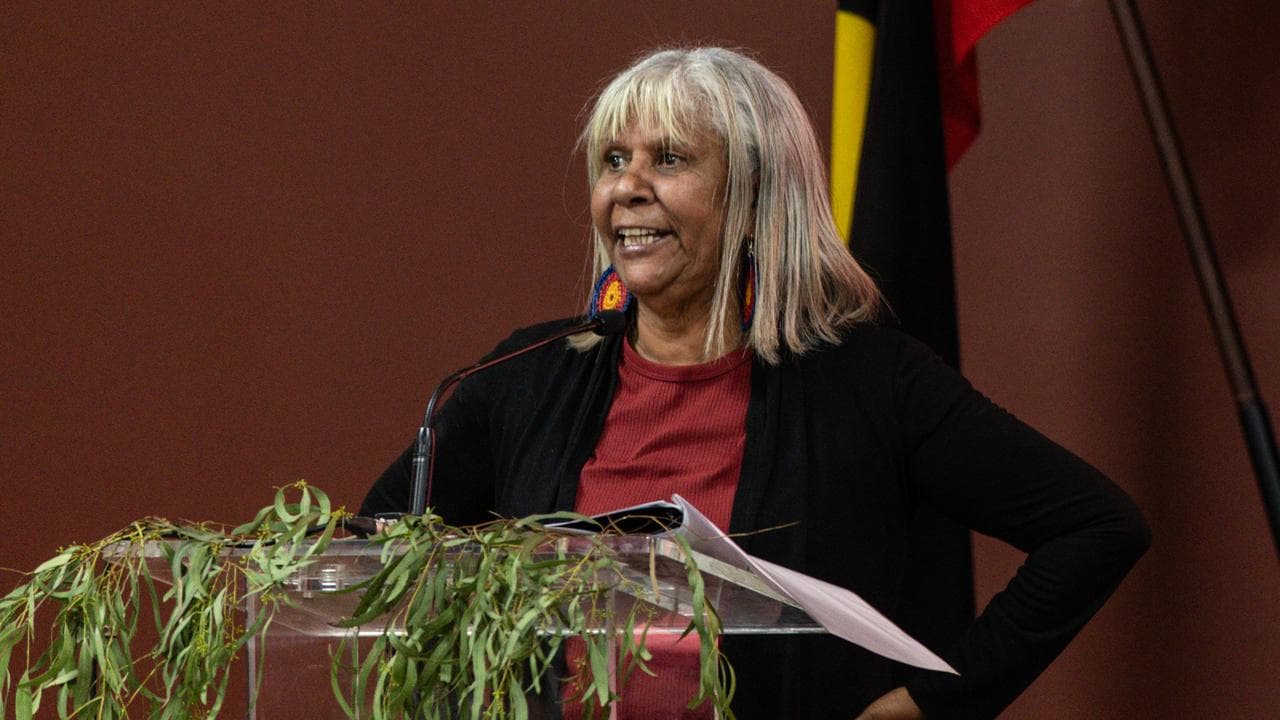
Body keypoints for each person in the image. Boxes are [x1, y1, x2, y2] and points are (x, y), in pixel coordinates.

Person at [361, 47, 1150, 719]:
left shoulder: (869, 382)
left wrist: (930, 704)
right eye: (613, 160)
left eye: (668, 159)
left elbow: (1096, 528)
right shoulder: (525, 378)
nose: (627, 187)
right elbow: (368, 557)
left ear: (753, 193)